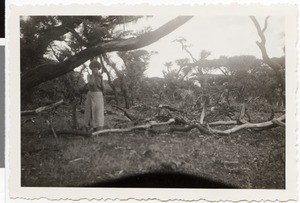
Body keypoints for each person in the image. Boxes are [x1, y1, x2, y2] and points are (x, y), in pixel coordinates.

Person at [84, 59, 105, 132]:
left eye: (96, 69)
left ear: (98, 70)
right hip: (91, 94)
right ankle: (89, 126)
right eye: (93, 69)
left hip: (98, 95)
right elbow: (91, 84)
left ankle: (98, 127)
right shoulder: (89, 76)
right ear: (91, 70)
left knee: (98, 111)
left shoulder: (100, 77)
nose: (94, 70)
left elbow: (103, 88)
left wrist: (101, 79)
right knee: (89, 110)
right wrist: (93, 76)